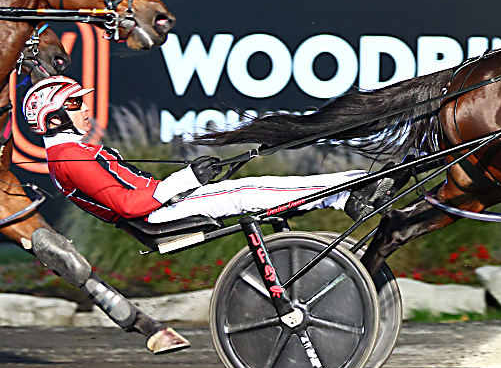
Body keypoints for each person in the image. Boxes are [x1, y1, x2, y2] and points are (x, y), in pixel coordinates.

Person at [24, 75, 403, 226]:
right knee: (254, 192)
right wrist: (185, 179)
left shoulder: (68, 155)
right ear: (54, 119)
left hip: (164, 204)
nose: (86, 109)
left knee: (269, 184)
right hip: (159, 215)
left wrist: (184, 182)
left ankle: (354, 190)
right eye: (75, 106)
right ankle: (357, 188)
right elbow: (127, 206)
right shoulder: (68, 158)